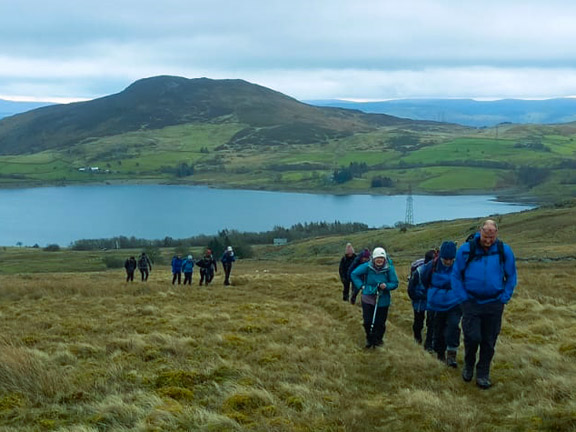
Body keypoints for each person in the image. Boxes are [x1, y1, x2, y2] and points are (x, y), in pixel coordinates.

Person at [452, 219, 517, 389]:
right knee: (472, 337)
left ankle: (483, 374)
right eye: (485, 236)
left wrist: (505, 296)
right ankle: (469, 364)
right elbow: (456, 275)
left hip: (494, 303)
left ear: (496, 233)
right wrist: (463, 299)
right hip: (471, 302)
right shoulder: (466, 250)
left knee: (489, 341)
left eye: (491, 236)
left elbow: (511, 276)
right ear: (480, 231)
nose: (488, 240)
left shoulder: (504, 250)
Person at [420, 241, 463, 367]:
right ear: (441, 256)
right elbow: (424, 279)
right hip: (436, 304)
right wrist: (432, 293)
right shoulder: (431, 266)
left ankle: (451, 355)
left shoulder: (459, 267)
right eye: (446, 259)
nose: (449, 262)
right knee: (438, 330)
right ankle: (440, 354)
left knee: (453, 326)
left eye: (451, 259)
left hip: (455, 303)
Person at [350, 247, 399, 348]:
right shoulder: (367, 266)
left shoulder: (389, 268)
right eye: (377, 258)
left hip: (382, 299)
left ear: (385, 258)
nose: (379, 260)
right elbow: (354, 274)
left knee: (380, 323)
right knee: (367, 321)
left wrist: (386, 286)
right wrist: (362, 286)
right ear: (373, 259)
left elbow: (394, 283)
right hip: (368, 297)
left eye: (381, 258)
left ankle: (378, 341)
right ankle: (369, 339)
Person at [407, 249, 436, 350]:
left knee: (431, 322)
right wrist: (417, 297)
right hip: (419, 300)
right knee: (419, 321)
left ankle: (429, 344)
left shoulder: (435, 270)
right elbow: (411, 289)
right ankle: (417, 339)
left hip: (430, 301)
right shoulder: (419, 272)